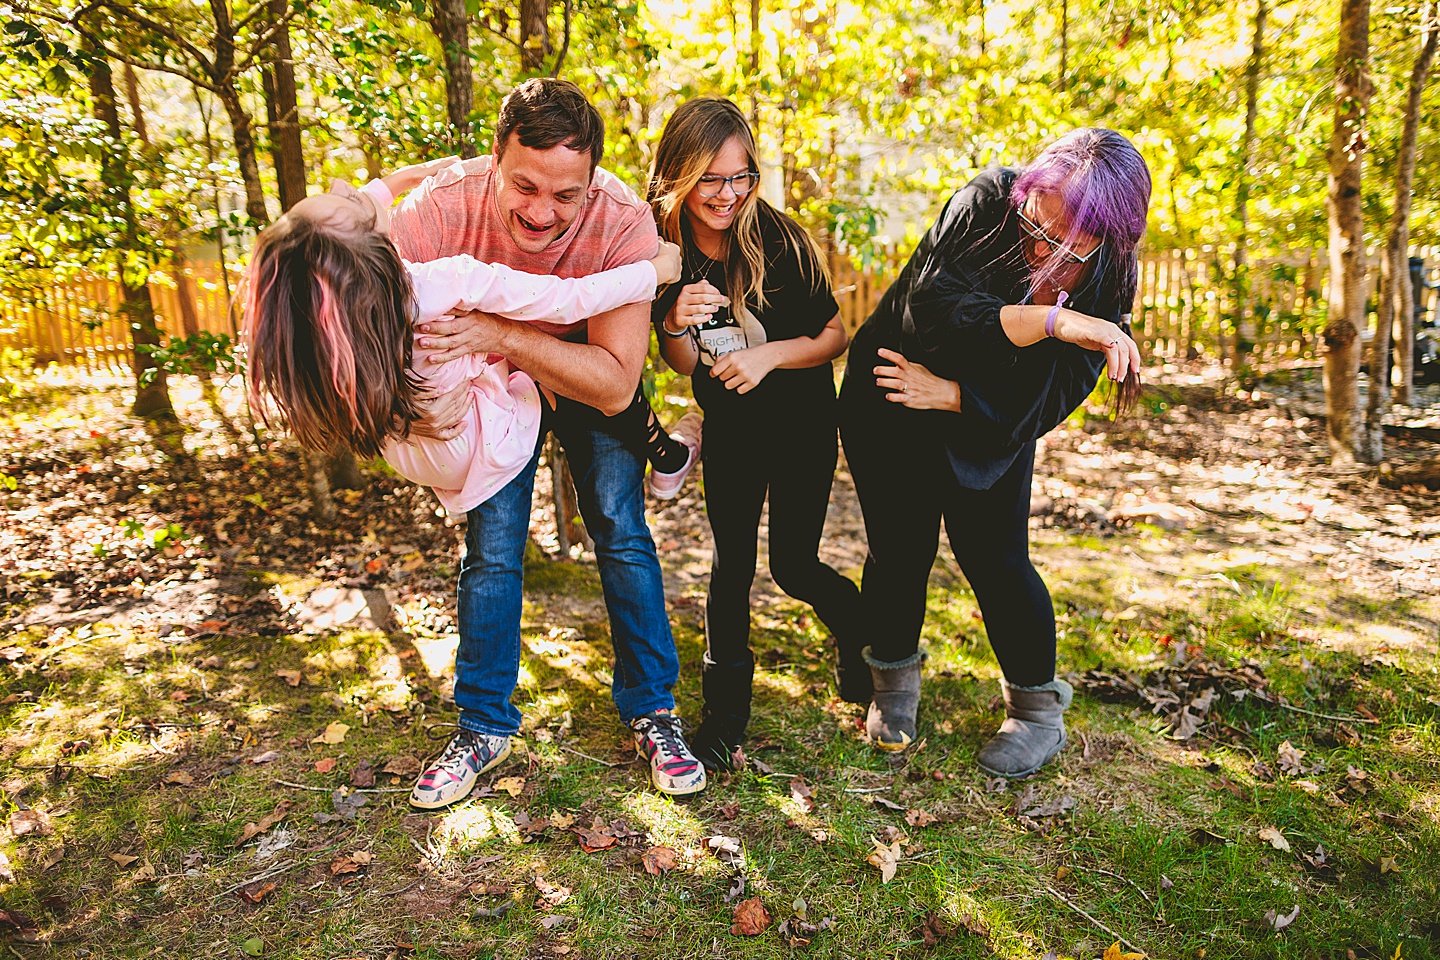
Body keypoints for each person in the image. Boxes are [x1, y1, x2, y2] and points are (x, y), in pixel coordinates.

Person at [385, 79, 708, 804]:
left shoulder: (624, 221)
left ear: (592, 181)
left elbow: (618, 383)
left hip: (586, 371)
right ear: (493, 158)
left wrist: (504, 331)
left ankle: (653, 711)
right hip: (488, 384)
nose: (541, 212)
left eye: (565, 196)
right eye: (525, 186)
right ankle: (483, 725)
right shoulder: (436, 211)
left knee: (621, 531)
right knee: (493, 545)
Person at [838, 128, 1148, 777]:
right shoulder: (988, 202)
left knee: (998, 559)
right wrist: (1057, 321)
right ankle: (893, 687)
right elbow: (935, 309)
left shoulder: (1112, 270)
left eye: (1070, 246)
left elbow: (1065, 382)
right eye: (1040, 226)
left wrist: (955, 397)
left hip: (989, 418)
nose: (1045, 250)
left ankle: (1037, 711)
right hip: (895, 386)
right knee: (899, 548)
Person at [243, 160, 690, 522]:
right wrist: (656, 272)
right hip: (477, 434)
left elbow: (343, 231)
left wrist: (396, 182)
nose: (345, 181)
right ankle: (645, 445)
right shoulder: (444, 281)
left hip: (408, 448)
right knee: (538, 375)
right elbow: (569, 300)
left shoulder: (341, 311)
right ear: (366, 240)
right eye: (349, 195)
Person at [648, 97, 865, 772]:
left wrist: (770, 355)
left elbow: (835, 334)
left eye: (740, 176)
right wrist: (674, 321)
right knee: (731, 568)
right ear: (680, 173)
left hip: (803, 424)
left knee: (793, 566)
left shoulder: (783, 240)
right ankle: (724, 720)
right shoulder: (660, 249)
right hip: (734, 432)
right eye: (710, 178)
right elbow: (682, 365)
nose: (727, 193)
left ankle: (860, 639)